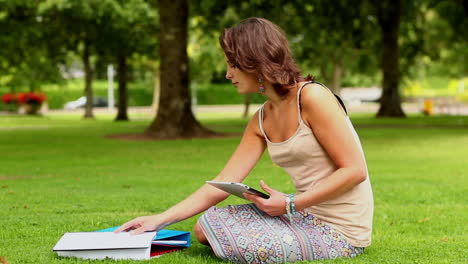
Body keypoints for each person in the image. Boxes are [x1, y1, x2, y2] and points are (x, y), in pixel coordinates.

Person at [116, 17, 374, 263]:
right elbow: (221, 183)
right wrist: (159, 220)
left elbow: (355, 170)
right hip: (301, 215)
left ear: (256, 62)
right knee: (206, 226)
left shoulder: (312, 97)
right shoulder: (261, 119)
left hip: (340, 230)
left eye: (233, 64)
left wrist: (290, 203)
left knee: (229, 239)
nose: (228, 74)